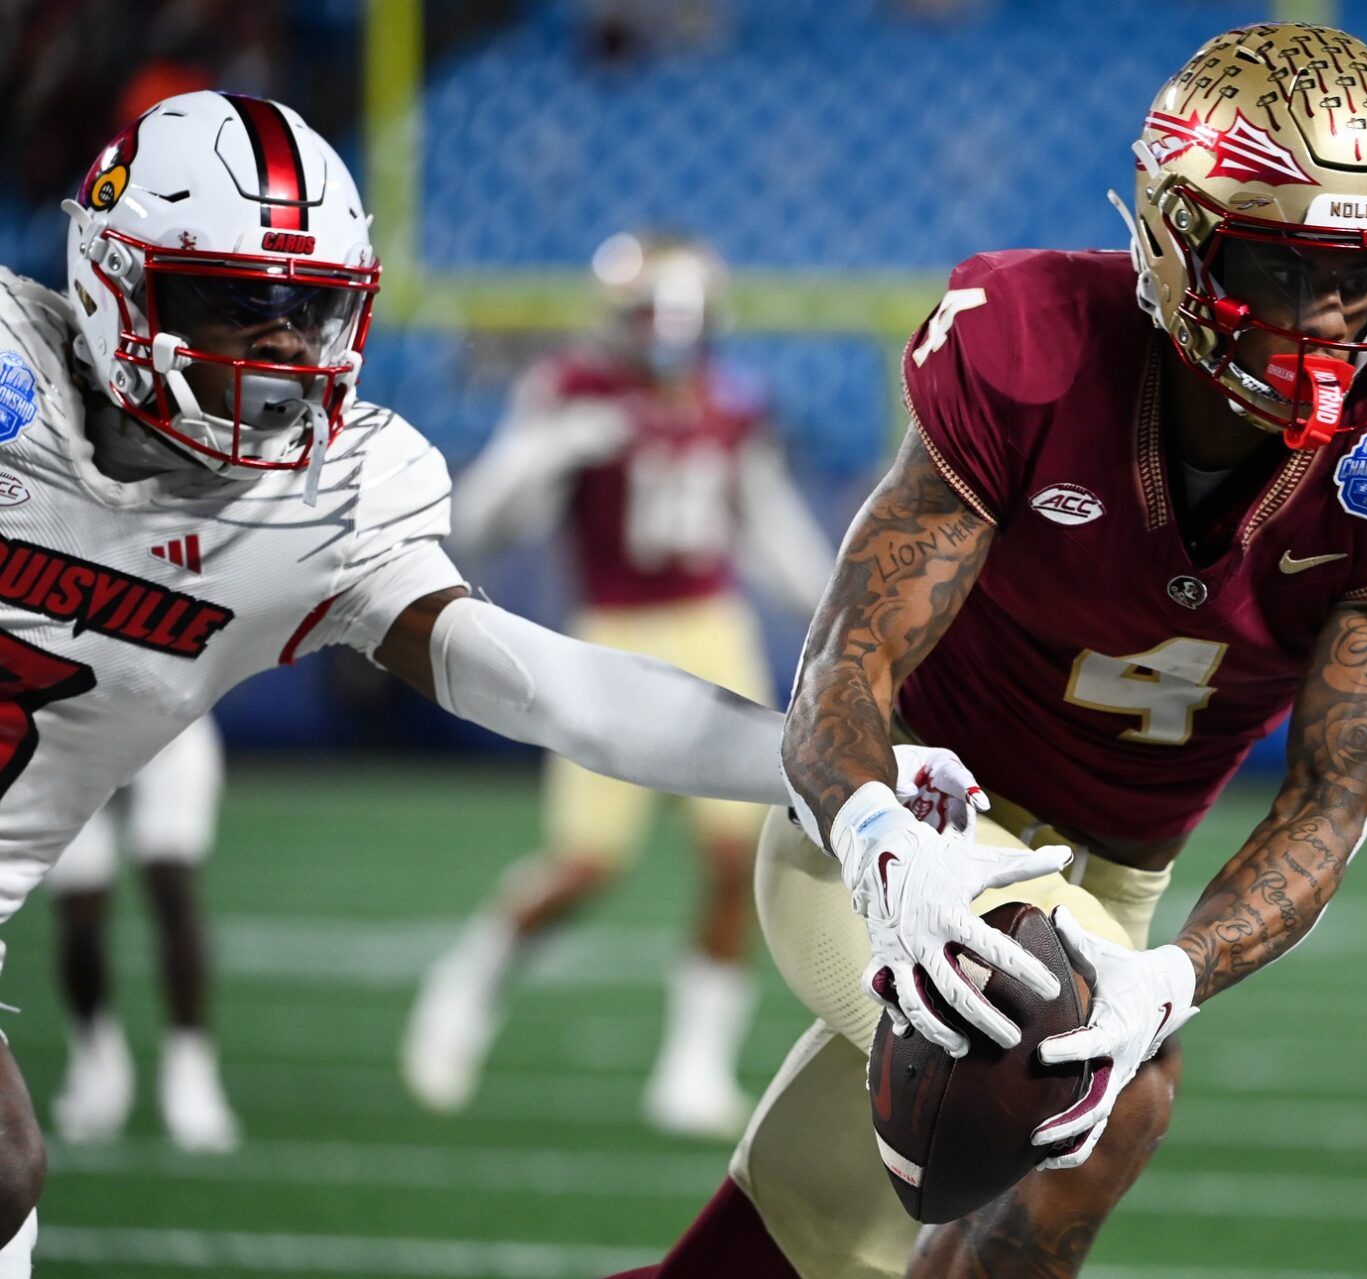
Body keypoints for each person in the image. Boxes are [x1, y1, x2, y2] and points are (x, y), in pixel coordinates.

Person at [0, 90, 972, 1276]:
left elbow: (541, 686)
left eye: (308, 313)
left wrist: (828, 759)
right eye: (234, 303)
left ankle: (686, 1057)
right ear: (110, 281)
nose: (277, 355)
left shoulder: (327, 498)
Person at [622, 23, 1367, 1279]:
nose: (1327, 316)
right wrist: (886, 850)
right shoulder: (1031, 342)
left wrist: (1173, 972)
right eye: (1278, 265)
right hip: (905, 830)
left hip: (1116, 887)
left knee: (789, 1256)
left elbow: (1333, 803)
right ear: (1175, 237)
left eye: (1363, 275)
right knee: (1115, 1092)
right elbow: (843, 666)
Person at [402, 233, 836, 1138]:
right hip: (612, 632)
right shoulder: (572, 393)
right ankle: (470, 983)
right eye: (647, 317)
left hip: (713, 626)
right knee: (589, 863)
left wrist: (843, 616)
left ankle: (692, 1066)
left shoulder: (733, 405)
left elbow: (770, 532)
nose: (663, 337)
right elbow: (481, 521)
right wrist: (547, 447)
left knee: (735, 860)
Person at [44, 715, 236, 1152]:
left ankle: (191, 1069)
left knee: (172, 881)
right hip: (73, 733)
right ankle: (95, 1058)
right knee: (80, 907)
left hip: (169, 726)